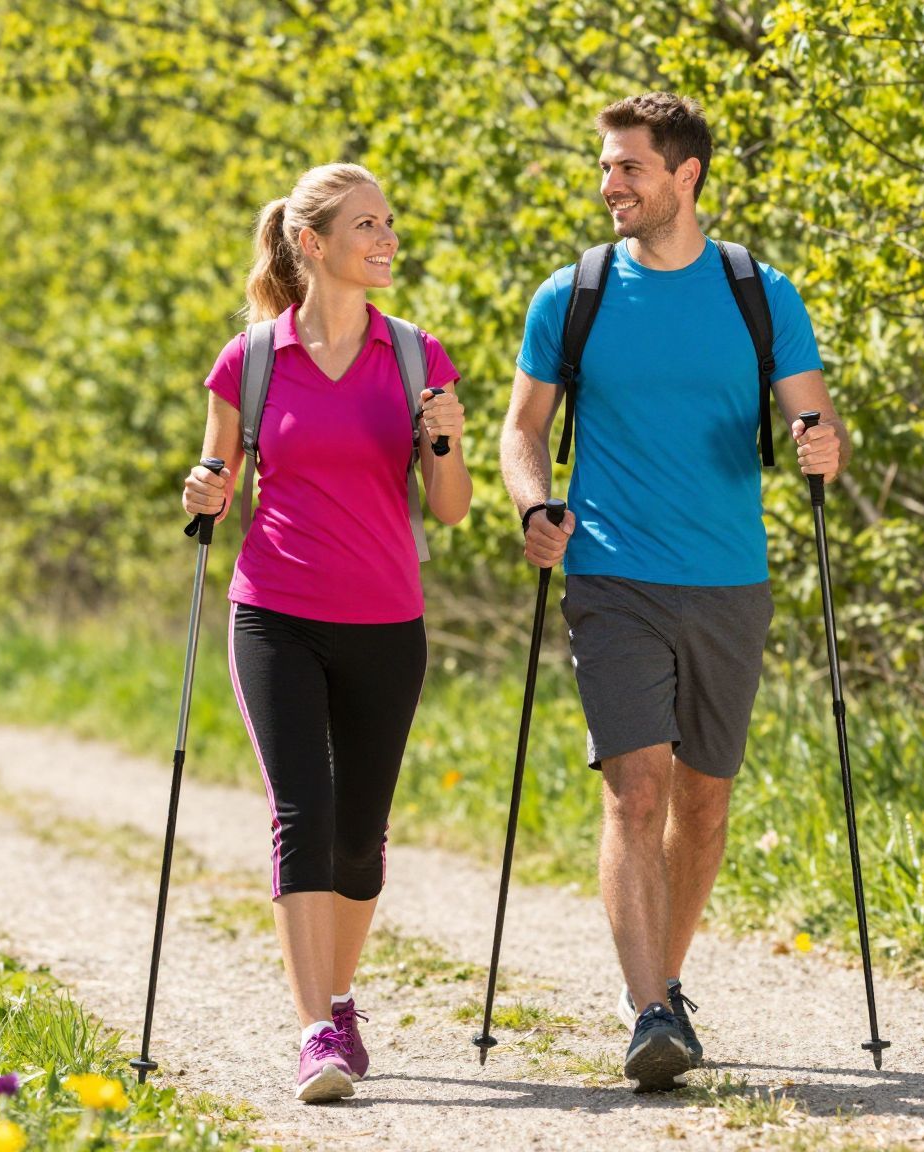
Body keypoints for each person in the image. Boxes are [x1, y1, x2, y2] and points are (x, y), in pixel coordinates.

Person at [497, 93, 847, 1092]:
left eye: (629, 167)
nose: (609, 184)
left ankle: (667, 982)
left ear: (684, 175)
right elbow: (523, 430)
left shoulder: (758, 292)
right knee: (636, 789)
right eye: (605, 167)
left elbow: (816, 425)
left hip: (729, 578)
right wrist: (534, 506)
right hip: (610, 574)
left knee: (704, 802)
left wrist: (821, 447)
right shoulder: (572, 294)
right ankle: (649, 1008)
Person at [180, 162, 472, 1104]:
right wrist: (202, 490)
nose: (387, 239)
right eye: (367, 225)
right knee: (302, 814)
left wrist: (445, 438)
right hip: (275, 614)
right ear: (312, 244)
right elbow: (214, 483)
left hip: (387, 619)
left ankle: (340, 1000)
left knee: (360, 835)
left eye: (388, 223)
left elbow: (452, 508)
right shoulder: (251, 360)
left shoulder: (418, 356)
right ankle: (315, 1031)